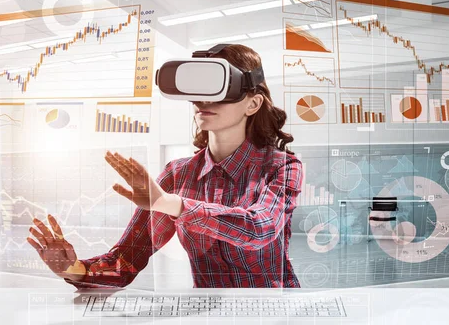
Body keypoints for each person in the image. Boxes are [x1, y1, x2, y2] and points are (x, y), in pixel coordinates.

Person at [26, 44, 304, 288]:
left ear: (253, 103)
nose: (203, 100)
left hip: (274, 310)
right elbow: (127, 260)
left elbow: (260, 229)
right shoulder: (178, 174)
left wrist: (172, 204)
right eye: (198, 89)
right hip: (211, 313)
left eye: (219, 88)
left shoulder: (281, 166)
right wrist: (73, 269)